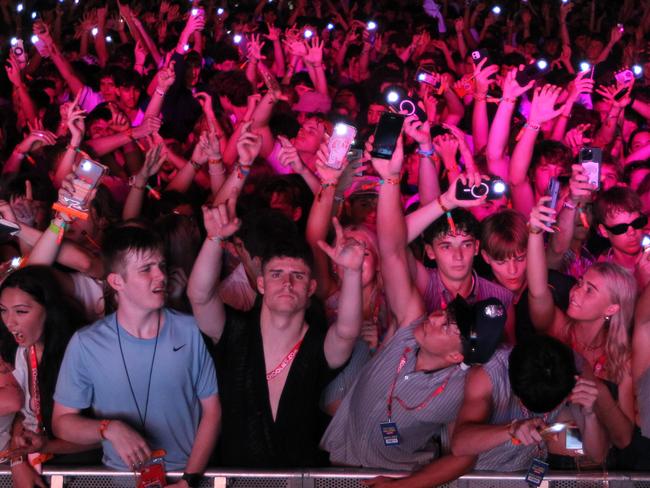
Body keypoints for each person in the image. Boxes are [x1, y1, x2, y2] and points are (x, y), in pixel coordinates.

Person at [321, 135, 506, 488]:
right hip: (335, 469)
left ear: (456, 354)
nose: (435, 315)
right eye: (446, 313)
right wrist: (392, 181)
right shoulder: (410, 326)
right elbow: (391, 249)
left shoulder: (463, 389)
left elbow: (463, 454)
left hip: (399, 478)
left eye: (448, 324)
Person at [187, 197, 365, 467]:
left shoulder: (317, 346)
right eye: (276, 274)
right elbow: (200, 297)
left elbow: (347, 332)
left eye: (299, 276)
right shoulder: (235, 332)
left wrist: (352, 272)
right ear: (260, 284)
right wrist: (213, 239)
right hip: (238, 481)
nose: (287, 283)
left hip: (299, 482)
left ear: (311, 288)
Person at [52, 225, 219, 488]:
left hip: (186, 477)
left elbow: (212, 411)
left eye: (161, 266)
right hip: (121, 478)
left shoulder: (191, 330)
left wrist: (189, 480)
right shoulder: (87, 343)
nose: (160, 276)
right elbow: (62, 423)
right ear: (117, 281)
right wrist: (108, 428)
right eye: (146, 269)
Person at [527, 196, 638, 455]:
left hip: (600, 465)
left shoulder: (622, 356)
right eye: (579, 283)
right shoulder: (558, 326)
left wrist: (597, 392)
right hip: (546, 451)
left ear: (612, 308)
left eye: (590, 290)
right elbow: (537, 292)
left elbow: (623, 438)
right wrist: (534, 232)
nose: (576, 293)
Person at [0, 266, 96, 488]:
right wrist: (18, 459)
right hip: (39, 467)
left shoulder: (80, 352)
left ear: (48, 310)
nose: (9, 322)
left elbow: (102, 435)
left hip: (82, 473)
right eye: (3, 310)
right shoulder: (17, 350)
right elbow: (24, 416)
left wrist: (44, 446)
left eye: (21, 311)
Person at [451, 336, 608, 471]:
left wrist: (589, 414)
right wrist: (511, 430)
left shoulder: (570, 370)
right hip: (479, 471)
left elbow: (597, 455)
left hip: (528, 466)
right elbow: (459, 444)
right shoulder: (488, 373)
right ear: (518, 396)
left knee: (580, 442)